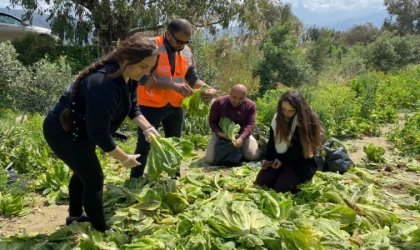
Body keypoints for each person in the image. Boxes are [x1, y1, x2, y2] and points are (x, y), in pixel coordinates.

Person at [43, 36, 160, 232]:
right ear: (125, 59)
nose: (147, 72)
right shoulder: (104, 85)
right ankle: (101, 230)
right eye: (142, 66)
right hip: (63, 131)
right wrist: (124, 159)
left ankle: (75, 217)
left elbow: (133, 107)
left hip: (81, 129)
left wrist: (147, 127)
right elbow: (99, 133)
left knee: (83, 173)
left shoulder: (128, 76)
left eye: (150, 67)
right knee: (94, 179)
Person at [131, 18, 217, 178]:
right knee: (144, 144)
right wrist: (173, 86)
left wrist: (208, 88)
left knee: (175, 142)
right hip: (150, 104)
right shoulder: (150, 46)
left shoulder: (187, 51)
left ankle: (174, 176)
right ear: (168, 34)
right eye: (179, 41)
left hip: (176, 105)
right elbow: (143, 79)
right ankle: (134, 179)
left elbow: (193, 78)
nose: (182, 45)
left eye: (186, 42)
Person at [254, 90, 323, 193]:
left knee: (281, 188)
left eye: (291, 111)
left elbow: (299, 150)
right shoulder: (277, 118)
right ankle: (280, 173)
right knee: (261, 182)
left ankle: (301, 179)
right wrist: (268, 159)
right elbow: (272, 141)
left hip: (300, 162)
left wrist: (282, 159)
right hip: (281, 159)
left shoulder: (306, 122)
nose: (286, 113)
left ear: (299, 110)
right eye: (283, 109)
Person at [206, 84, 260, 164]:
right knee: (210, 160)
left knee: (253, 156)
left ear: (245, 97)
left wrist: (242, 138)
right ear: (230, 94)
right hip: (222, 134)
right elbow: (212, 122)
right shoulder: (219, 102)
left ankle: (241, 150)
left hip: (242, 133)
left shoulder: (250, 105)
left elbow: (251, 124)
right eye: (234, 97)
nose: (237, 101)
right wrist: (220, 133)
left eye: (241, 98)